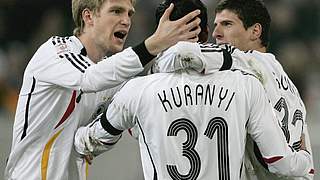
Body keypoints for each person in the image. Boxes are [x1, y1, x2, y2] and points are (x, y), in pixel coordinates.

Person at [73, 0, 313, 179]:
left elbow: (88, 143)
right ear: (207, 35)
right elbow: (279, 162)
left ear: (159, 33)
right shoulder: (245, 83)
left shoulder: (137, 90)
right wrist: (304, 162)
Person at [4, 0, 203, 179]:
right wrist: (154, 44)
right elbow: (90, 78)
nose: (126, 21)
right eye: (116, 11)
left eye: (129, 14)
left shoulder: (111, 74)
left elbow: (137, 106)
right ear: (88, 16)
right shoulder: (55, 51)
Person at [154, 0, 315, 179]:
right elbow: (304, 161)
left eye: (227, 24)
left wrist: (156, 57)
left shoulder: (244, 62)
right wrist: (305, 160)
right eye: (215, 25)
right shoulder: (286, 83)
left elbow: (181, 54)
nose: (216, 33)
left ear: (255, 31)